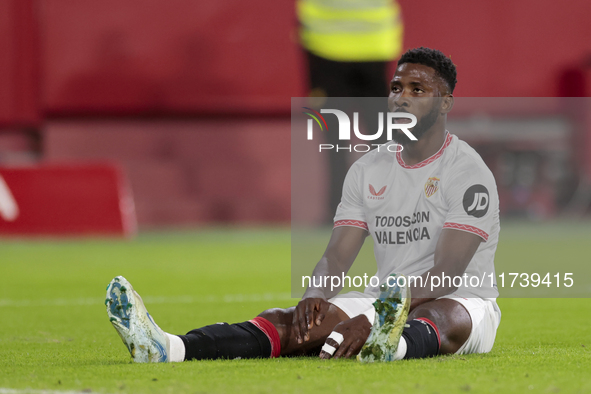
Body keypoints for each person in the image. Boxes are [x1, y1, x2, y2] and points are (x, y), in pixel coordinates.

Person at [105, 47, 501, 363]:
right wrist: (316, 294)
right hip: (384, 298)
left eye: (418, 90)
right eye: (397, 88)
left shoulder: (468, 173)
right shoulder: (367, 169)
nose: (402, 98)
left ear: (445, 103)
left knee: (442, 315)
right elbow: (337, 254)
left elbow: (447, 275)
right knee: (299, 325)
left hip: (463, 301)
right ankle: (168, 347)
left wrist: (372, 318)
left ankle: (390, 344)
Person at [297, 0, 404, 219]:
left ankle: (340, 210)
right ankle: (382, 208)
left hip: (328, 46)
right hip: (371, 44)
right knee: (378, 136)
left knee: (336, 138)